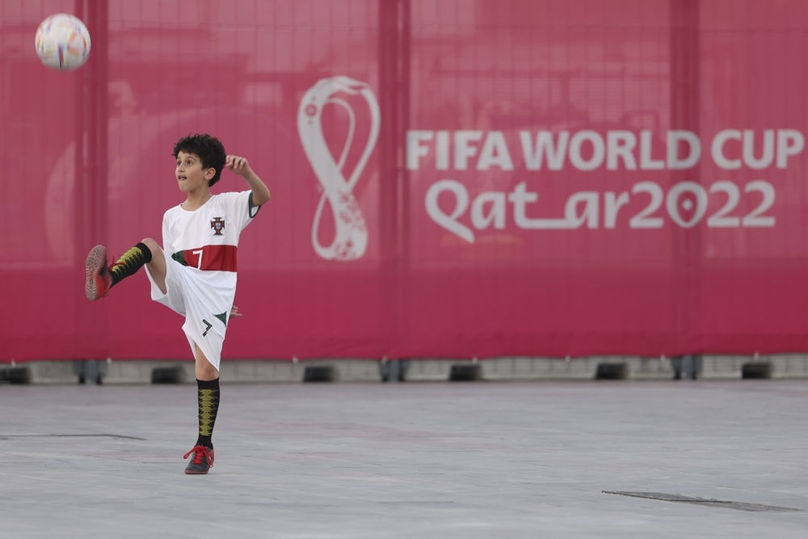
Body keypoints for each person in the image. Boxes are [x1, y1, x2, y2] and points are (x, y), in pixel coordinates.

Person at [84, 133, 271, 474]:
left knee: (206, 370)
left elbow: (263, 196)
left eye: (189, 163)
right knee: (149, 246)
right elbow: (171, 262)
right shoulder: (171, 216)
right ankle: (107, 279)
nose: (180, 169)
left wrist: (246, 173)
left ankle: (204, 447)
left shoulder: (227, 206)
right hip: (182, 281)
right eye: (178, 162)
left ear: (209, 172)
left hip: (212, 296)